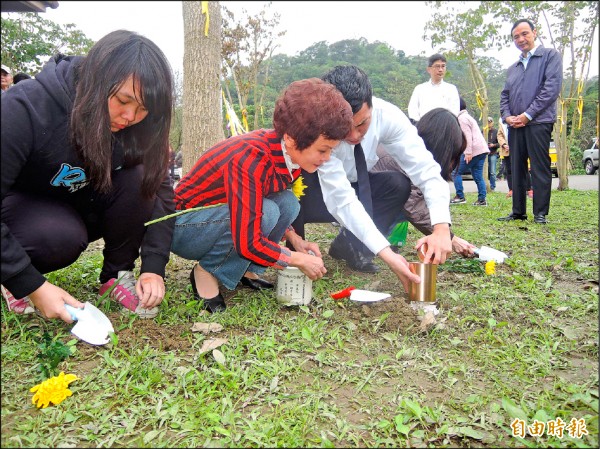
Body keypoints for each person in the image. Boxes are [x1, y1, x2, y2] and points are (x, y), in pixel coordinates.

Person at [1, 30, 175, 322]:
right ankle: (12, 280)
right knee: (59, 237)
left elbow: (162, 191)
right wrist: (32, 284)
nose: (130, 117)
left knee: (141, 177)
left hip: (78, 201)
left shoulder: (138, 127)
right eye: (122, 100)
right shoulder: (24, 108)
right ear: (96, 79)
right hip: (22, 212)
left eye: (143, 108)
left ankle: (116, 275)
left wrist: (154, 267)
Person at [171, 78, 353, 313]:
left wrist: (297, 241)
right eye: (322, 150)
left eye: (330, 150)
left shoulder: (289, 157)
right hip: (183, 226)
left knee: (287, 204)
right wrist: (297, 259)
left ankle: (244, 269)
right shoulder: (250, 158)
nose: (326, 158)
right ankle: (205, 272)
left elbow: (262, 200)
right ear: (291, 138)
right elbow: (248, 240)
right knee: (267, 213)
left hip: (219, 217)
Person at [290, 65, 452, 283]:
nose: (354, 135)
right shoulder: (318, 124)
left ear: (371, 105)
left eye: (362, 123)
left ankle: (351, 246)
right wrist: (387, 253)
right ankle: (296, 252)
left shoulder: (389, 117)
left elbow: (426, 169)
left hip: (355, 186)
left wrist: (441, 227)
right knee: (293, 189)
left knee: (397, 184)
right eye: (344, 128)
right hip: (312, 193)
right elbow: (342, 199)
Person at [371, 108, 476, 257]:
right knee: (402, 195)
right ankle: (355, 244)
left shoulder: (414, 147)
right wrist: (451, 239)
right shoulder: (403, 152)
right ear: (442, 147)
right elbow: (413, 205)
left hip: (372, 198)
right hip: (359, 200)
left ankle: (374, 239)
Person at [498, 18, 562, 224]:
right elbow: (504, 96)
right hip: (515, 124)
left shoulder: (550, 56)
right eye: (516, 36)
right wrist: (507, 116)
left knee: (539, 166)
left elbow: (550, 89)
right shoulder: (513, 68)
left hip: (539, 122)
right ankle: (518, 211)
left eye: (524, 34)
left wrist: (528, 115)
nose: (521, 39)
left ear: (535, 33)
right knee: (516, 167)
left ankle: (540, 213)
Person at [450, 97, 490, 206]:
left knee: (456, 172)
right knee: (477, 175)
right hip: (482, 150)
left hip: (474, 150)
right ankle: (482, 200)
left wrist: (468, 152)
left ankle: (460, 197)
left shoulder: (462, 118)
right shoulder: (467, 117)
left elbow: (467, 136)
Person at [407, 53, 460, 124]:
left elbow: (454, 111)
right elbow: (412, 110)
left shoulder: (451, 89)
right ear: (429, 69)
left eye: (443, 66)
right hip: (423, 129)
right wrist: (420, 125)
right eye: (437, 66)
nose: (440, 70)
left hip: (444, 128)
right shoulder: (420, 89)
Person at [487, 117, 499, 191]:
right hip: (485, 154)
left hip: (493, 153)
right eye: (488, 122)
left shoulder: (496, 131)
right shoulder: (483, 131)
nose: (489, 124)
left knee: (492, 171)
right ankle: (486, 185)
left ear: (492, 123)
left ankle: (492, 186)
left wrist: (493, 145)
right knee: (485, 171)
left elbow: (499, 143)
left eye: (490, 122)